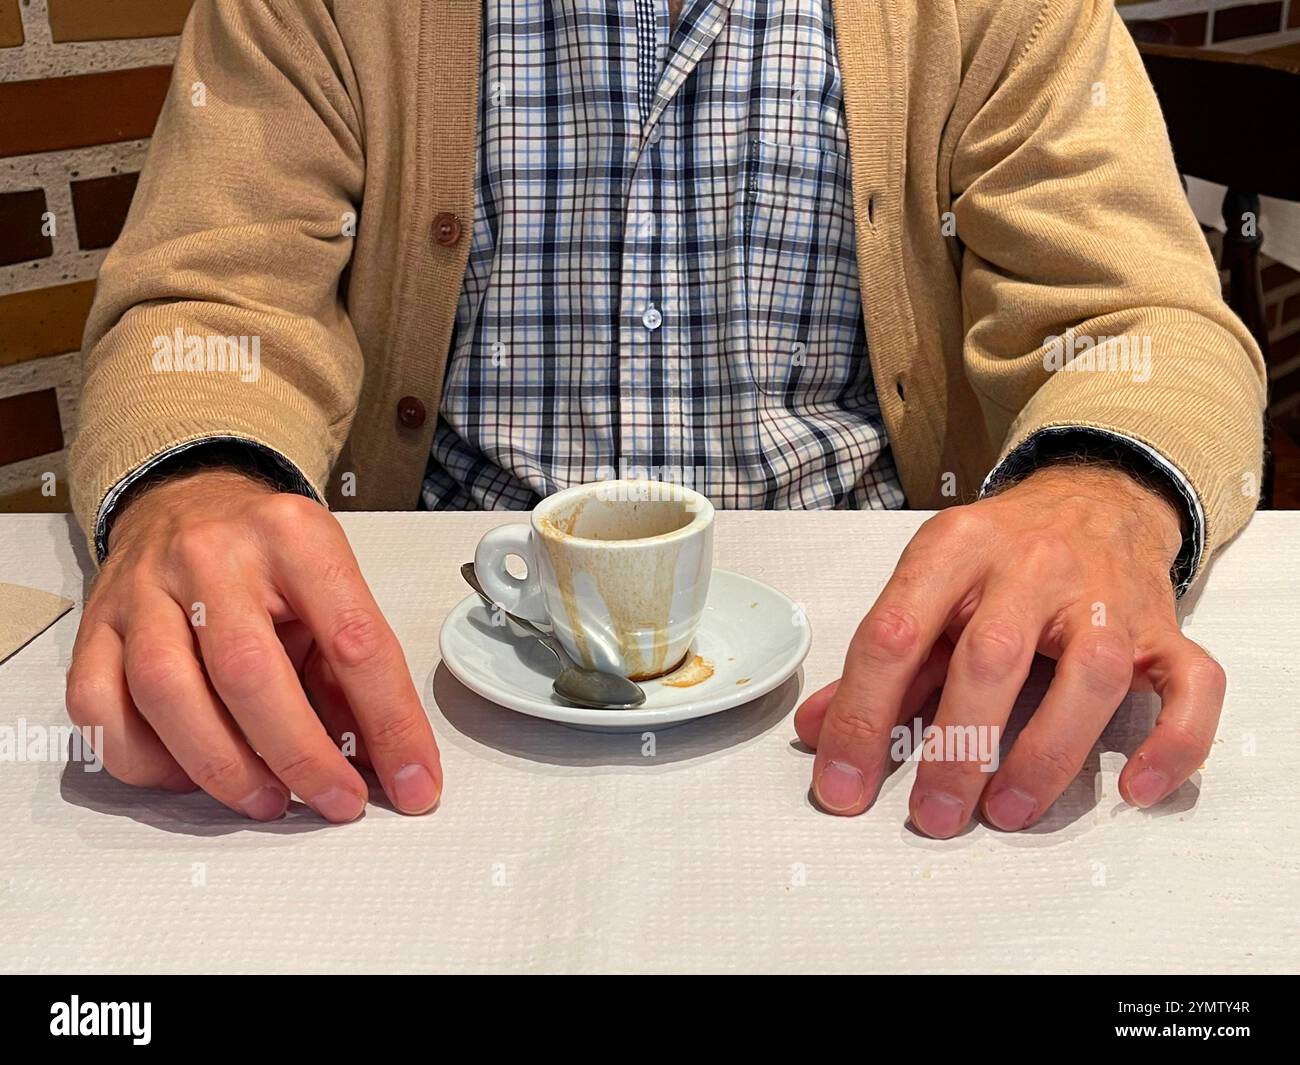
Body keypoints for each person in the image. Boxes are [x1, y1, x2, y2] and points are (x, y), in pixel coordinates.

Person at [65, 0, 1264, 836]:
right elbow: (209, 297)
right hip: (417, 665)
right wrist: (197, 481)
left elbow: (1135, 313)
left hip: (887, 655)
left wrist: (1101, 487)